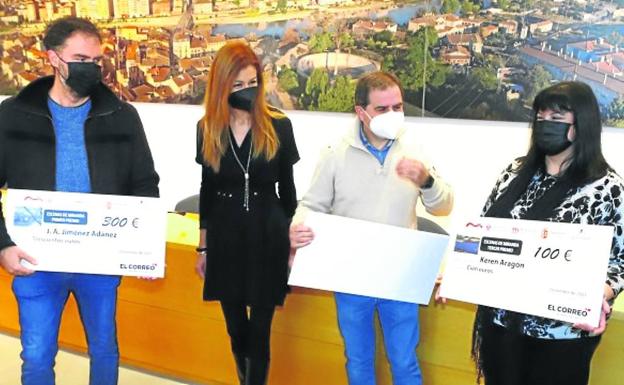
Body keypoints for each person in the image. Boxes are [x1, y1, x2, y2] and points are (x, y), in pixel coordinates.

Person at [0, 17, 159, 385]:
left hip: (100, 260)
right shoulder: (12, 116)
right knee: (37, 356)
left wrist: (145, 248)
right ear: (53, 58)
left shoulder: (121, 116)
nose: (91, 68)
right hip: (36, 259)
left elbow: (144, 185)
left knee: (104, 349)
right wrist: (3, 245)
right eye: (80, 58)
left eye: (97, 60)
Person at [289, 71, 453, 385]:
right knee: (359, 360)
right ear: (361, 113)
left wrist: (426, 181)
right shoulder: (335, 153)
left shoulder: (415, 148)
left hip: (400, 274)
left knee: (404, 361)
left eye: (398, 107)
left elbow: (443, 206)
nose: (393, 115)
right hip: (352, 275)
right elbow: (312, 204)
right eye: (382, 109)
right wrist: (298, 228)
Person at [470, 81, 624, 385]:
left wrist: (601, 294)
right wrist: (462, 270)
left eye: (556, 119)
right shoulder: (514, 174)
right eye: (540, 118)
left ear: (582, 124)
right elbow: (482, 231)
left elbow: (621, 259)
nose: (545, 126)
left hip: (560, 331)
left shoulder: (606, 188)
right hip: (501, 322)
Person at [194, 41, 299, 385]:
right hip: (225, 234)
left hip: (268, 232)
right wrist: (203, 246)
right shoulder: (207, 127)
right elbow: (207, 190)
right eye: (237, 85)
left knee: (260, 329)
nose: (246, 91)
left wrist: (291, 243)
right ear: (221, 86)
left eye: (252, 83)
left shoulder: (279, 126)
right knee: (235, 327)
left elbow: (289, 191)